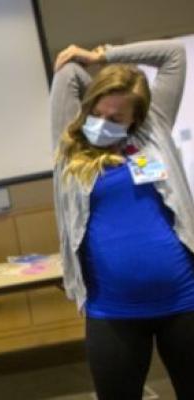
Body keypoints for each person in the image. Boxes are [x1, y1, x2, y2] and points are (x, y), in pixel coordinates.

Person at [52, 39, 194, 399]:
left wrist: (106, 56)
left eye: (115, 119)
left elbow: (174, 56)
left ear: (136, 118)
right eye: (96, 113)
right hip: (113, 311)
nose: (101, 124)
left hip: (184, 300)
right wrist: (87, 63)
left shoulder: (154, 130)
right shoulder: (69, 145)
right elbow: (68, 73)